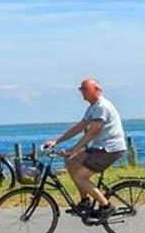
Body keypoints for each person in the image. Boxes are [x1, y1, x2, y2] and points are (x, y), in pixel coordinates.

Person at [42, 78, 127, 221]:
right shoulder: (92, 108)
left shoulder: (101, 107)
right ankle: (85, 202)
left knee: (80, 177)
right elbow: (78, 128)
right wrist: (56, 141)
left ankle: (106, 206)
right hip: (99, 147)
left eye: (85, 89)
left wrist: (73, 150)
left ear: (97, 90)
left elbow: (91, 133)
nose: (83, 92)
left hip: (110, 149)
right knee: (71, 162)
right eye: (81, 89)